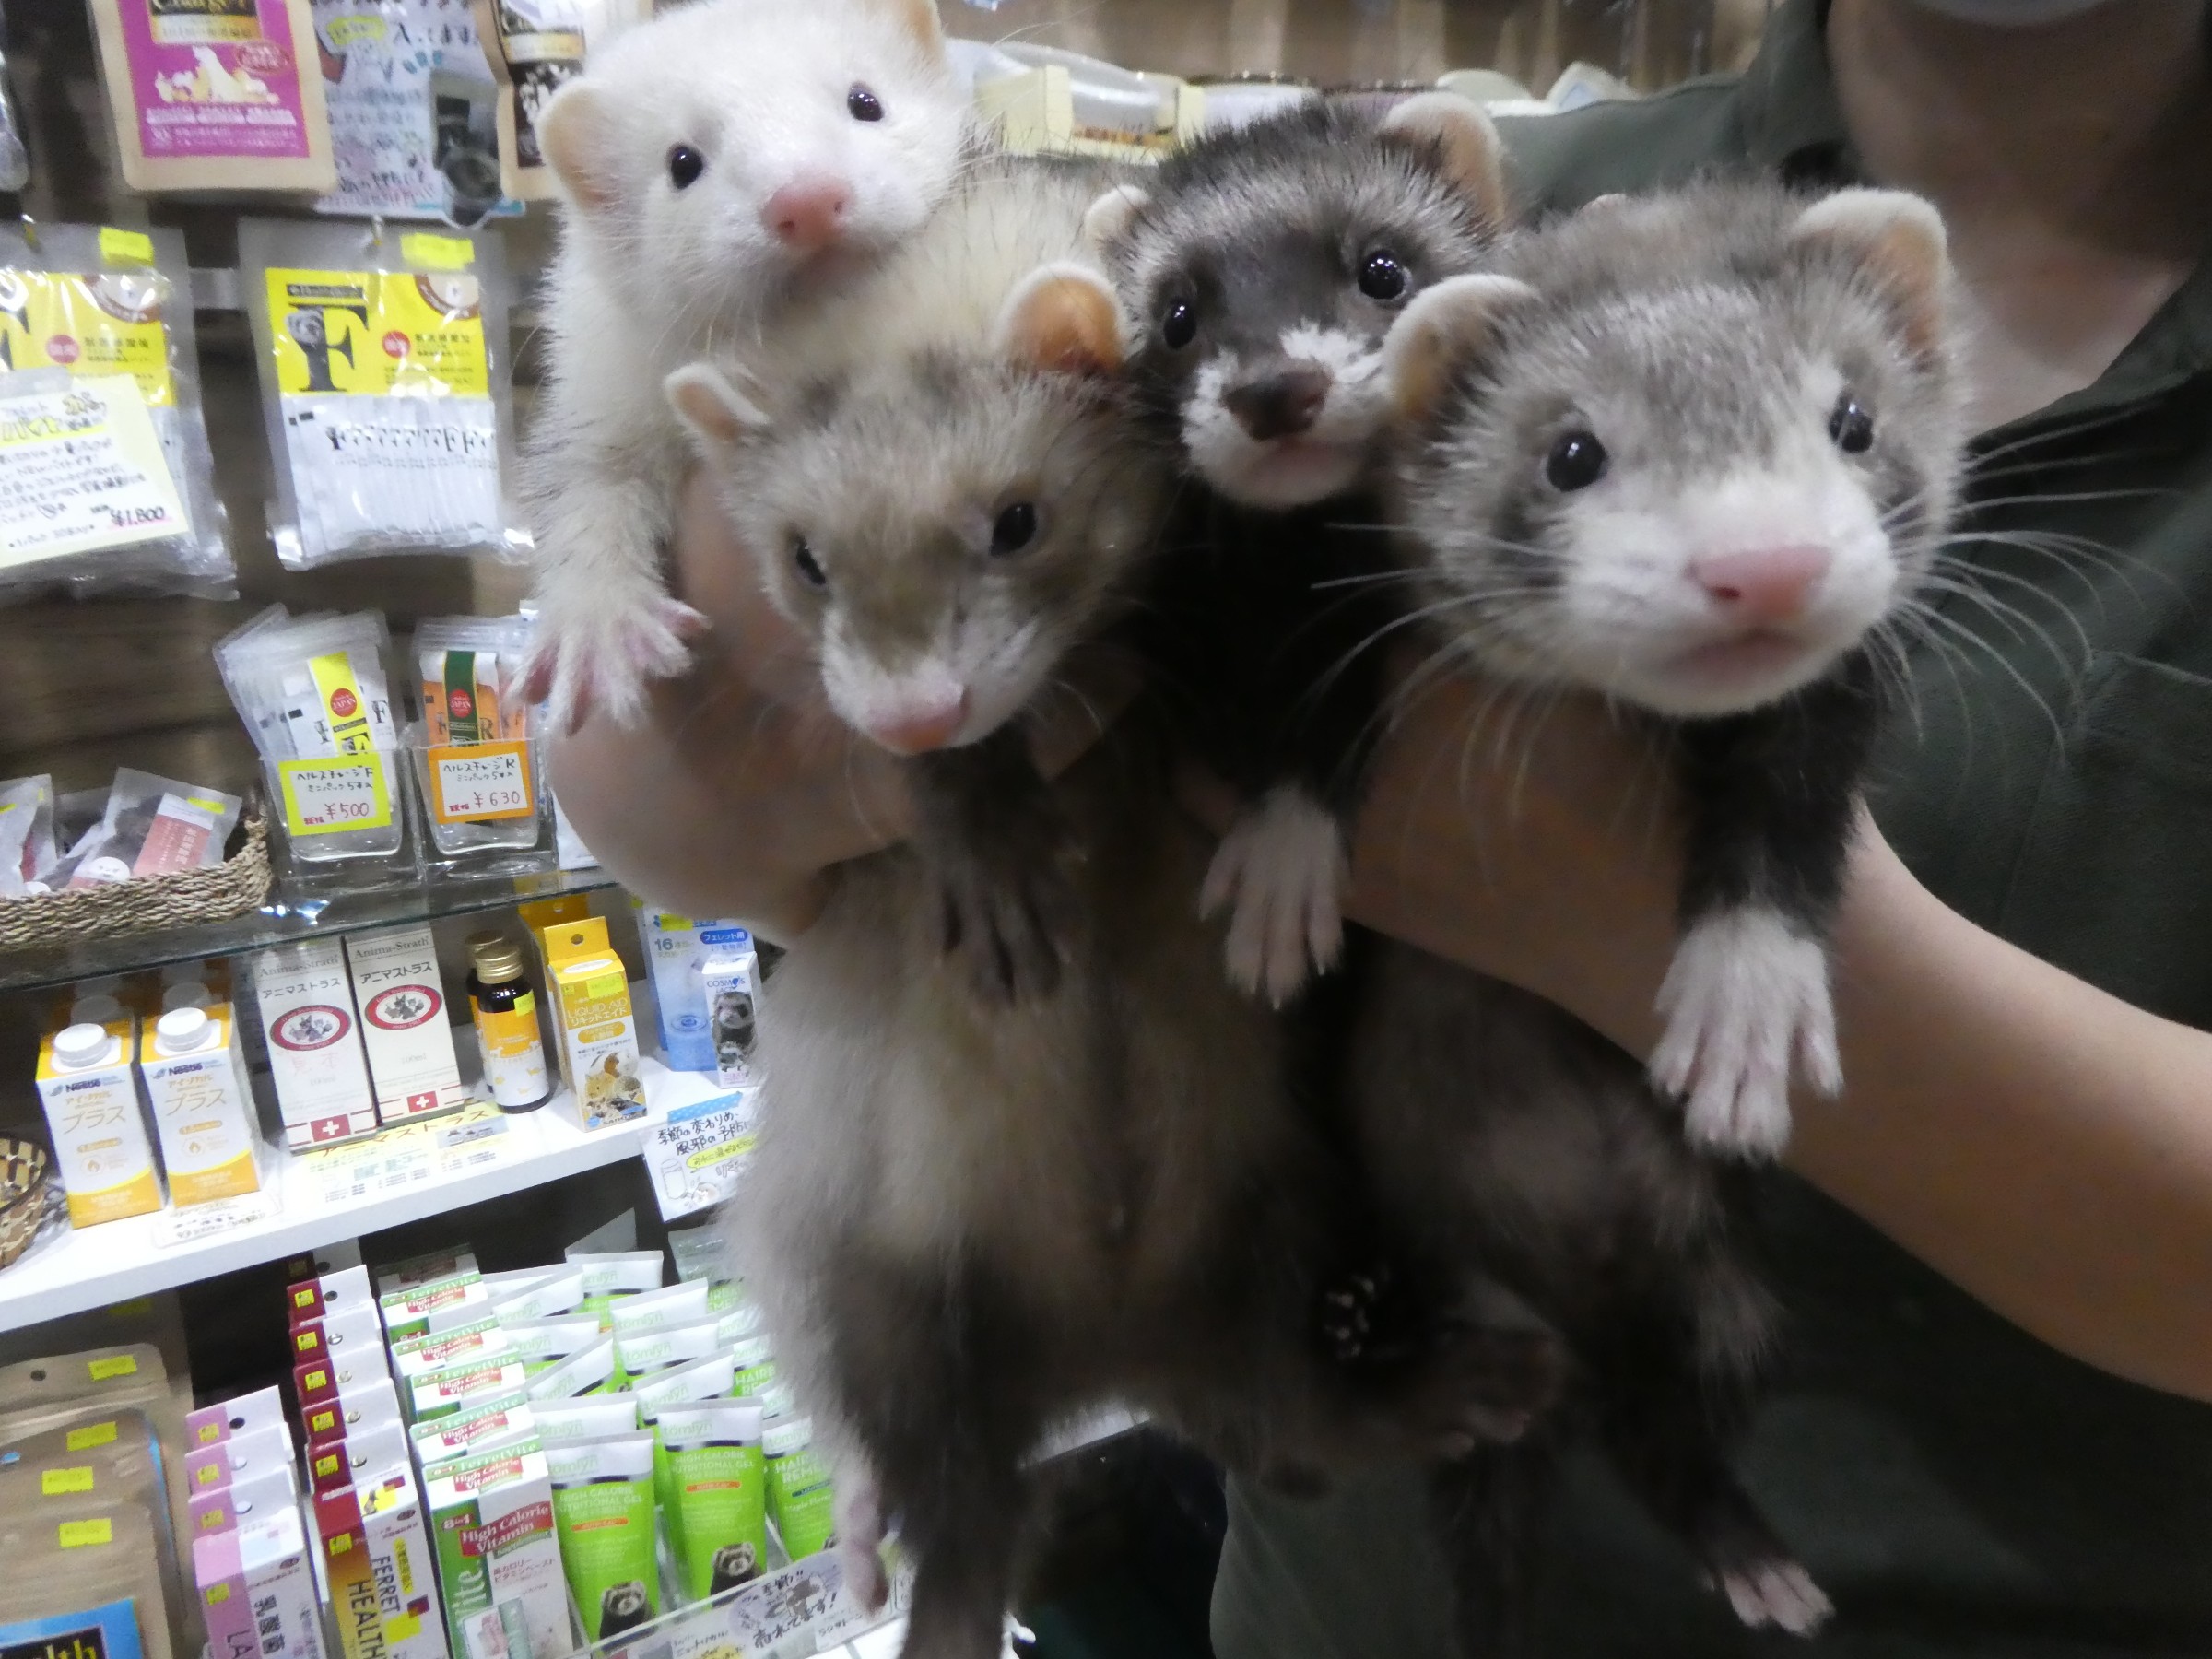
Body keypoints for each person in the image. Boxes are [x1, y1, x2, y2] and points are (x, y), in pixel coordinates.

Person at [553, 0, 2212, 1650]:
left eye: (1373, 286)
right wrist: (944, 719)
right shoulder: (1554, 183)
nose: (1288, 365)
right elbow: (654, 792)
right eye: (1180, 317)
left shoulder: (1505, 223)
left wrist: (1644, 913)